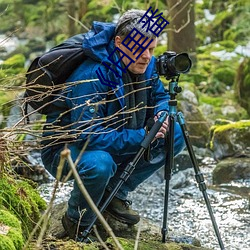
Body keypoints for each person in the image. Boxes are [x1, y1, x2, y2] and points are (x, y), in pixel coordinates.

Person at [41, 9, 185, 241]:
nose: (148, 56)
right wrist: (142, 135)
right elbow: (87, 135)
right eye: (141, 49)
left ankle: (115, 193)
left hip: (117, 136)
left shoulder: (144, 64)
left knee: (175, 132)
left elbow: (159, 96)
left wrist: (161, 114)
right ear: (119, 42)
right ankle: (76, 221)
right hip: (67, 150)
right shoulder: (92, 75)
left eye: (152, 49)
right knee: (100, 164)